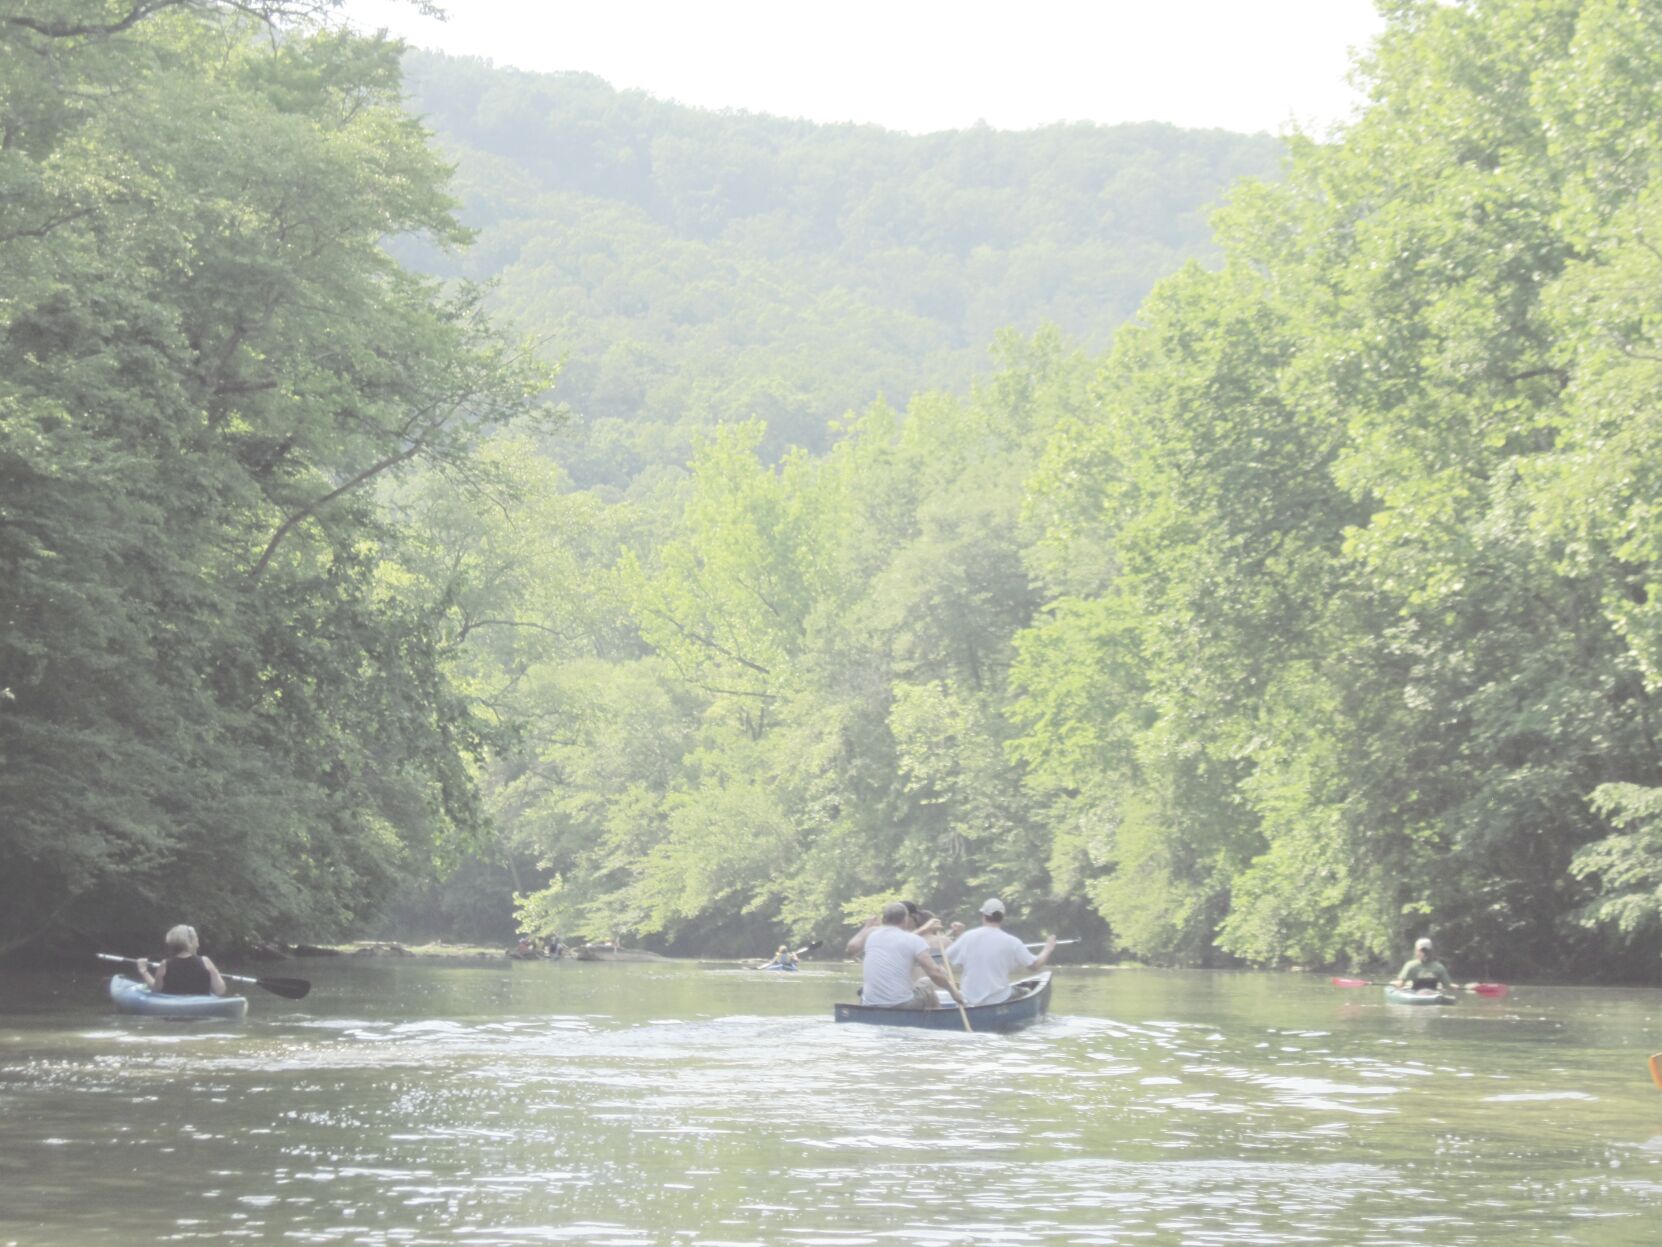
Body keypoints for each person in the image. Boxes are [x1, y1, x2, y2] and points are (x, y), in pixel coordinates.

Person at [946, 898, 1056, 1007]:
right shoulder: (1012, 942)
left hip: (968, 999)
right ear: (1002, 917)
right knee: (1026, 991)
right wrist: (1048, 948)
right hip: (998, 999)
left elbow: (948, 957)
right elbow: (1034, 965)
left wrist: (958, 935)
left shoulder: (967, 936)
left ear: (983, 915)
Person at [856, 901, 965, 1009]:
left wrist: (866, 927)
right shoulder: (915, 940)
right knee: (926, 983)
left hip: (869, 1004)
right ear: (905, 919)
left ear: (884, 919)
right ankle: (938, 1018)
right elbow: (935, 974)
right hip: (900, 1004)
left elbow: (851, 949)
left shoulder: (872, 935)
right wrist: (954, 993)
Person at [138, 925, 227, 997]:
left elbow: (155, 990)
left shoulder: (165, 964)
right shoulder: (205, 961)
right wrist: (215, 972)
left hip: (173, 1008)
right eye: (196, 939)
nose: (198, 943)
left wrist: (144, 971)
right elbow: (220, 990)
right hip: (200, 1008)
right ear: (190, 942)